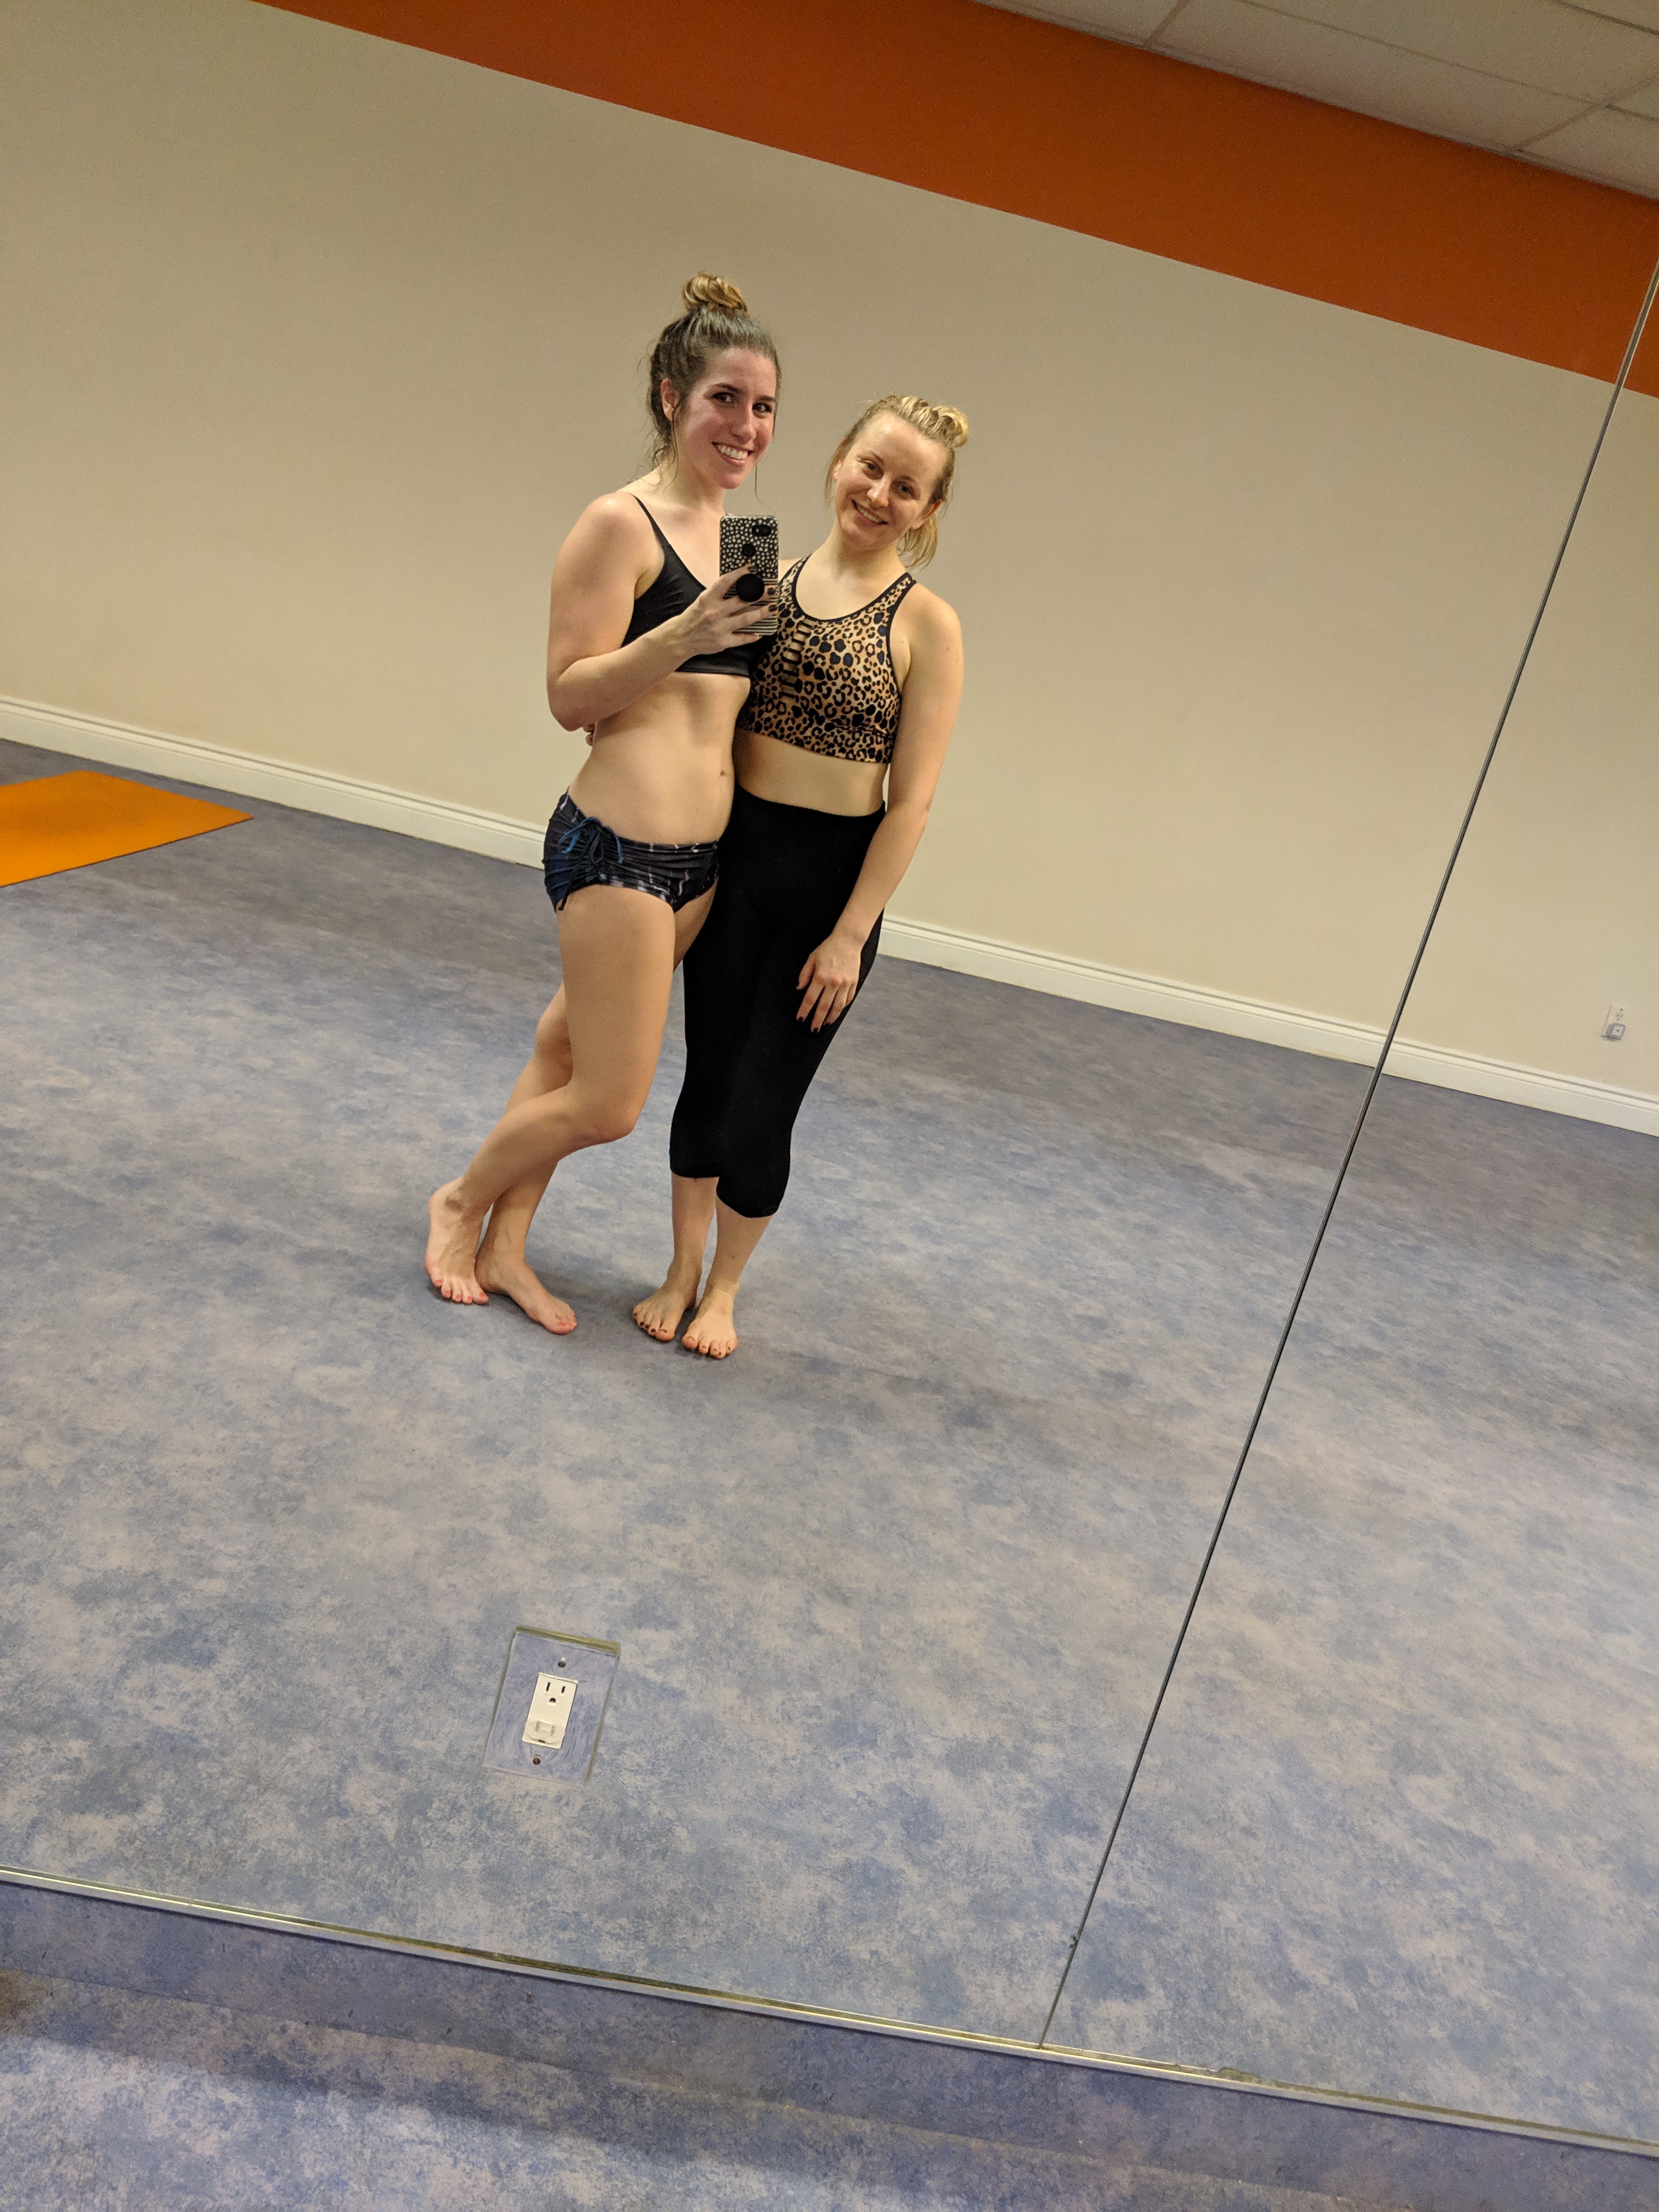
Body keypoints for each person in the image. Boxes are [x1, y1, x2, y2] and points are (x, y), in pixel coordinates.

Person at [424, 275, 778, 1332]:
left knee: (564, 1050)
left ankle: (507, 1249)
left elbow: (730, 711)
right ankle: (460, 1202)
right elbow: (567, 695)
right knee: (612, 1104)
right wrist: (679, 636)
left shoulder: (750, 541)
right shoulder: (617, 524)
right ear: (672, 396)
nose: (746, 427)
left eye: (764, 407)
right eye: (725, 399)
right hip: (618, 850)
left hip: (699, 866)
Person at [633, 394, 968, 1358]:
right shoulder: (758, 565)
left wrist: (851, 935)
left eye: (907, 486)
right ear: (838, 461)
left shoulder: (929, 624)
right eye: (871, 467)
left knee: (763, 1103)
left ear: (928, 510)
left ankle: (725, 1288)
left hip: (828, 889)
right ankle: (680, 1270)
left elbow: (911, 803)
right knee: (705, 1077)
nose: (880, 493)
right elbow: (698, 712)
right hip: (732, 859)